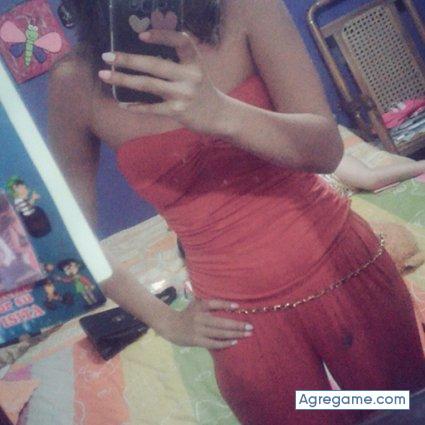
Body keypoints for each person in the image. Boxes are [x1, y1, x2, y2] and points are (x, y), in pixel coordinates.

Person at [48, 1, 425, 424]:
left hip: (346, 268)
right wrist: (166, 321)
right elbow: (70, 237)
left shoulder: (247, 9)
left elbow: (326, 151)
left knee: (398, 412)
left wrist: (222, 112)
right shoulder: (75, 84)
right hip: (237, 320)